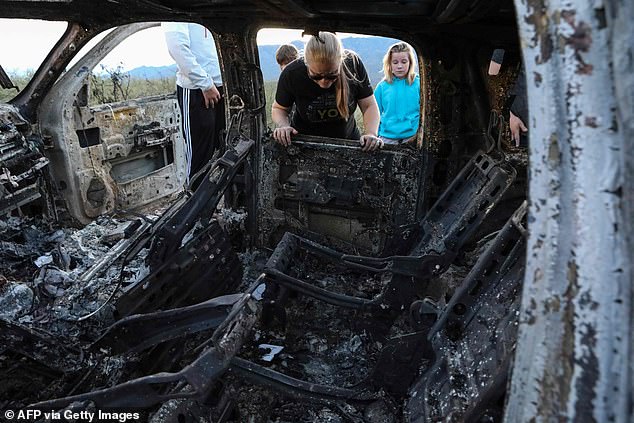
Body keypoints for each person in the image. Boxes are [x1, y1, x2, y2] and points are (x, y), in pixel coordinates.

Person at [271, 31, 381, 152]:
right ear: (306, 64)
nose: (324, 83)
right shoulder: (292, 73)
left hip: (347, 143)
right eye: (316, 76)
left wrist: (371, 133)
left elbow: (368, 105)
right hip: (304, 146)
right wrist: (283, 126)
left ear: (340, 62)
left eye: (332, 76)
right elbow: (279, 109)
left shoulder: (353, 65)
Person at [162, 22, 225, 182]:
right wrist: (205, 83)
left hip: (222, 84)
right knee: (200, 156)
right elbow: (177, 46)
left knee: (226, 150)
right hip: (197, 89)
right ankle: (197, 203)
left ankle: (227, 204)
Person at [373, 42, 420, 145]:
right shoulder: (382, 87)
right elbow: (375, 113)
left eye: (404, 62)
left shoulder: (418, 84)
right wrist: (375, 135)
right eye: (395, 62)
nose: (399, 66)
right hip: (387, 138)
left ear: (410, 63)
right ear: (389, 64)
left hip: (413, 136)